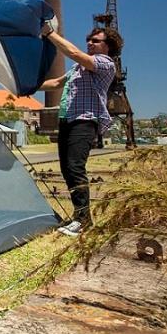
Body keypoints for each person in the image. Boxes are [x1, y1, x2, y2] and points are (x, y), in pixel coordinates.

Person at [39, 22, 123, 236]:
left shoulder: (106, 64)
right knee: (67, 168)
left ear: (108, 46)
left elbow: (74, 52)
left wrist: (49, 33)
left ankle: (83, 220)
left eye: (96, 41)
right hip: (67, 119)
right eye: (89, 39)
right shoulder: (78, 68)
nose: (90, 43)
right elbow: (57, 82)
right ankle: (81, 217)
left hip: (86, 120)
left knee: (75, 167)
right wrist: (26, 87)